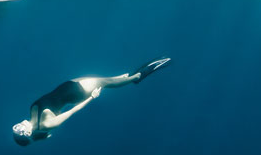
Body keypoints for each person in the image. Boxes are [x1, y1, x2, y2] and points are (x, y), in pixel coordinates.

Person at [12, 58, 171, 146]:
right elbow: (72, 111)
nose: (19, 125)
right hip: (78, 93)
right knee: (106, 83)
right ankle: (137, 77)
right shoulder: (47, 124)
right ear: (27, 133)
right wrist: (91, 97)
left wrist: (36, 138)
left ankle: (125, 77)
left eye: (16, 127)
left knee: (106, 80)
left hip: (68, 85)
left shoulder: (32, 112)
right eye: (20, 129)